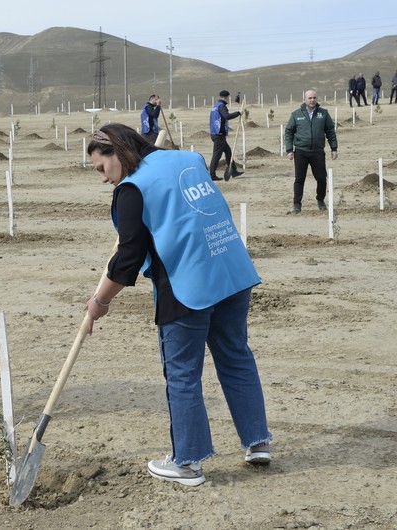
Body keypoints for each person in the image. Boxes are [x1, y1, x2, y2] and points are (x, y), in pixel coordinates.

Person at [84, 123, 272, 487]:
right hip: (232, 270)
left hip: (187, 286)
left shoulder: (132, 189)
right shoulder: (189, 159)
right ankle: (257, 441)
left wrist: (99, 302)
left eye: (100, 168)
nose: (103, 178)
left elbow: (126, 261)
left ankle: (187, 462)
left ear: (117, 153)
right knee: (236, 356)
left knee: (183, 374)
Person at [284, 90, 338, 214]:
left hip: (317, 151)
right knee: (299, 179)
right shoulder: (296, 114)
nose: (312, 100)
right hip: (301, 152)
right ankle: (297, 204)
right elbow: (288, 132)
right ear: (304, 99)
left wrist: (334, 148)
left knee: (321, 178)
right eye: (309, 98)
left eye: (314, 98)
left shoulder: (323, 114)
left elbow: (330, 131)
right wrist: (289, 150)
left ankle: (320, 200)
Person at [208, 89, 244, 181]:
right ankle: (212, 175)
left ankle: (234, 171)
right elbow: (227, 116)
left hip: (216, 133)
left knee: (228, 152)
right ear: (227, 97)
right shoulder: (222, 106)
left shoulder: (215, 106)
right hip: (218, 134)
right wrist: (238, 113)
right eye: (228, 97)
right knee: (216, 155)